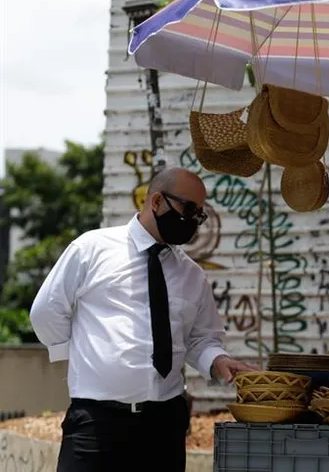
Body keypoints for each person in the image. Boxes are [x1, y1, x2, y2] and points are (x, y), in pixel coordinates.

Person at [30, 167, 256, 472]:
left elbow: (200, 338)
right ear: (157, 201)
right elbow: (46, 311)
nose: (193, 220)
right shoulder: (91, 249)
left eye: (199, 215)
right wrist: (80, 353)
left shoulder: (191, 274)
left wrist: (217, 360)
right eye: (188, 209)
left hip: (163, 425)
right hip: (97, 423)